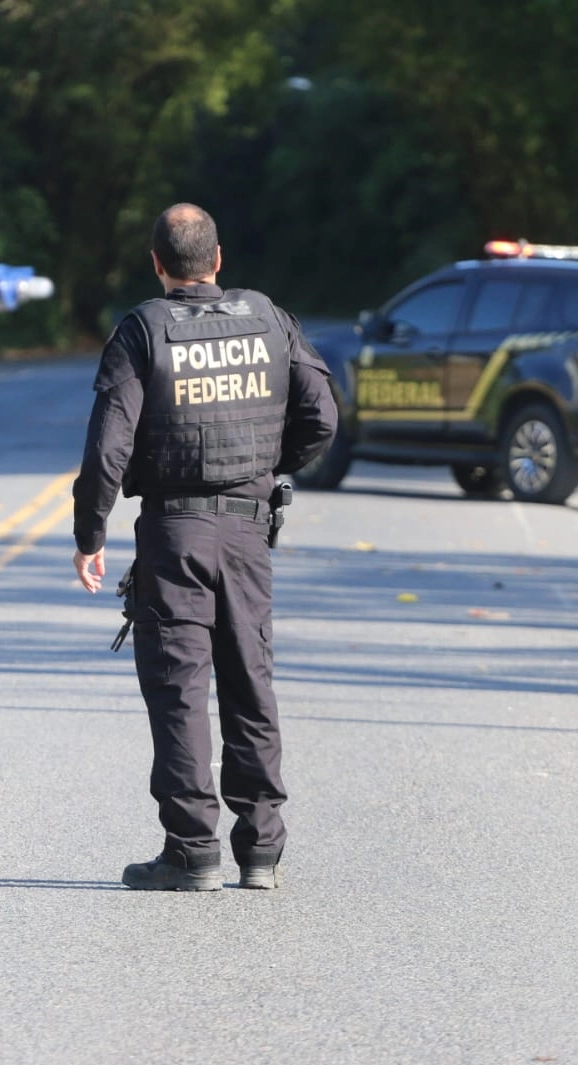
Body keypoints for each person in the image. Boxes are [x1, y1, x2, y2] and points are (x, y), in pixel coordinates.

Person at [72, 203, 337, 891]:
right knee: (250, 680)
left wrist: (89, 533)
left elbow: (108, 447)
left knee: (180, 688)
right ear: (217, 260)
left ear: (158, 264)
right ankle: (261, 852)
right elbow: (322, 416)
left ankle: (191, 851)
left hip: (174, 532)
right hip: (249, 530)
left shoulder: (142, 331)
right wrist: (267, 468)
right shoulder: (269, 318)